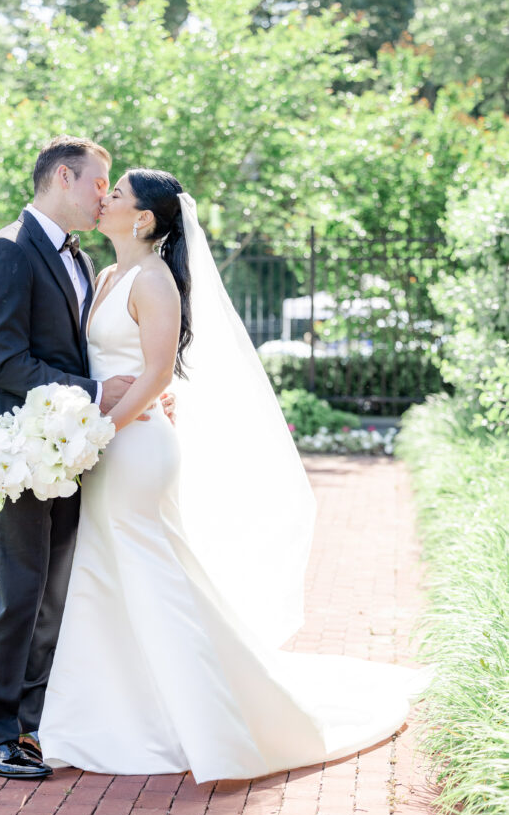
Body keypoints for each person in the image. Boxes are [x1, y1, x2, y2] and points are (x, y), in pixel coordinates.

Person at [37, 169, 430, 783]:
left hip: (136, 449)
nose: (103, 198)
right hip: (109, 443)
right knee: (107, 575)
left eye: (116, 194)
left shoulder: (154, 279)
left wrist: (104, 429)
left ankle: (214, 725)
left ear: (142, 219)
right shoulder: (109, 275)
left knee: (154, 576)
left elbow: (159, 375)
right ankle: (110, 719)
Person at [0, 137, 174, 780]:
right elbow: (5, 361)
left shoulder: (85, 260)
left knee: (56, 589)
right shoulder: (7, 251)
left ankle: (32, 723)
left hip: (71, 448)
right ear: (63, 177)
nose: (104, 196)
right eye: (97, 182)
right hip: (18, 449)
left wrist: (121, 398)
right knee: (21, 588)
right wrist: (92, 394)